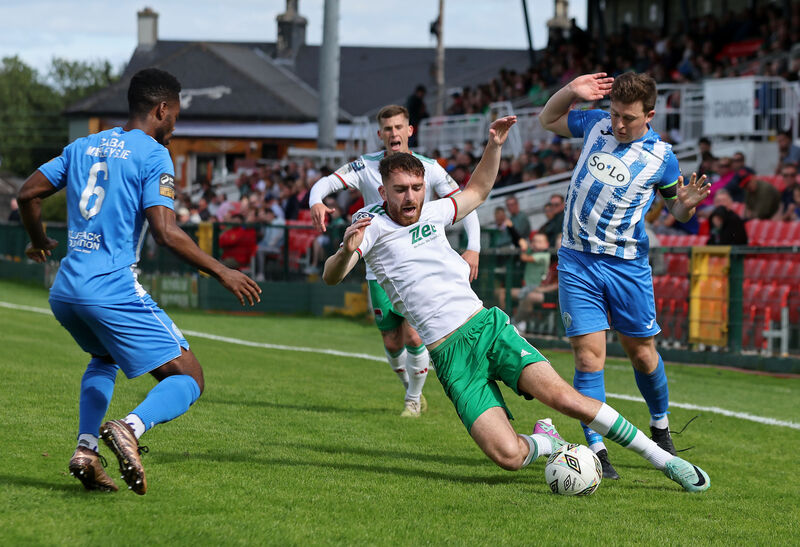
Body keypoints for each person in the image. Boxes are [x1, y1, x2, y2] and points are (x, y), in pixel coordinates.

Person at [322, 118, 710, 493]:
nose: (411, 197)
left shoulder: (432, 210)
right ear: (383, 190)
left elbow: (477, 191)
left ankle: (666, 461)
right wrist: (345, 251)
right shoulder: (367, 225)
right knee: (508, 456)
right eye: (401, 189)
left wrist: (494, 147)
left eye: (417, 187)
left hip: (487, 329)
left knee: (565, 398)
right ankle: (549, 442)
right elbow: (332, 276)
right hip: (449, 355)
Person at [16, 68, 261, 495]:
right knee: (189, 376)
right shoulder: (152, 154)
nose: (175, 125)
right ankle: (130, 428)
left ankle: (86, 450)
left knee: (103, 358)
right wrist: (222, 270)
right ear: (161, 110)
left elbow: (27, 194)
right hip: (110, 288)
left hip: (65, 290)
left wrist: (39, 242)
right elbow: (166, 232)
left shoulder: (83, 145)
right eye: (175, 115)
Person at [539, 71, 710, 479]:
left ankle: (661, 427)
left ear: (649, 114)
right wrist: (569, 92)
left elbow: (676, 210)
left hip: (627, 267)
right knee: (587, 356)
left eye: (628, 118)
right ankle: (595, 448)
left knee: (642, 355)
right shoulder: (595, 123)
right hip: (577, 261)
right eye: (615, 114)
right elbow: (548, 120)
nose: (618, 124)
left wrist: (685, 206)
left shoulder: (661, 157)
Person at [309, 104, 482, 417]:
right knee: (391, 341)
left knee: (414, 335)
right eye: (387, 129)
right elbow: (326, 183)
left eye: (399, 127)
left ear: (409, 131)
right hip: (379, 269)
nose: (394, 134)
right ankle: (410, 387)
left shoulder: (428, 167)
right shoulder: (365, 166)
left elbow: (465, 199)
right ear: (380, 134)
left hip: (419, 267)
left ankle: (413, 400)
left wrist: (474, 247)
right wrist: (316, 201)